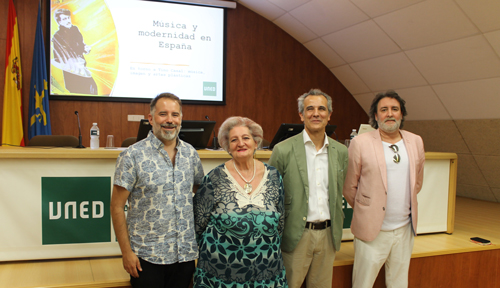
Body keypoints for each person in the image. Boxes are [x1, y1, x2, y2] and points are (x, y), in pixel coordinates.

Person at [111, 93, 204, 288]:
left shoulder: (190, 154)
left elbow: (199, 191)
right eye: (163, 114)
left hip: (184, 256)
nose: (170, 120)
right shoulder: (132, 156)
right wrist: (126, 253)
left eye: (175, 115)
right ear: (151, 119)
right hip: (147, 258)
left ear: (181, 119)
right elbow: (117, 206)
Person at [343, 90, 425, 288]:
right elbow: (349, 187)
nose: (390, 114)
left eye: (395, 109)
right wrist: (367, 211)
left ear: (402, 114)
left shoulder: (415, 141)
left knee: (399, 284)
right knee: (363, 284)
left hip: (405, 229)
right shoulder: (360, 143)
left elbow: (418, 182)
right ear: (376, 116)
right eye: (384, 110)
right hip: (372, 231)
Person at [193, 116, 288, 288]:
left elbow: (280, 222)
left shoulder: (274, 176)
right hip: (220, 275)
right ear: (227, 146)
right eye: (234, 140)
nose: (240, 143)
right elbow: (198, 225)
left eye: (246, 138)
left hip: (267, 273)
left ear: (256, 141)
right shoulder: (214, 179)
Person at [268, 89, 348, 288]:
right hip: (296, 235)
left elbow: (340, 190)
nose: (316, 113)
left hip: (328, 236)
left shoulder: (341, 151)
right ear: (301, 115)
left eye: (322, 109)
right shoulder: (283, 149)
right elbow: (271, 194)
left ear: (329, 115)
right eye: (309, 109)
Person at [52, 9, 97, 94]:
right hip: (72, 73)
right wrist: (71, 61)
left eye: (68, 18)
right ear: (59, 21)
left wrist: (85, 48)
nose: (68, 20)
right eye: (64, 19)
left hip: (82, 67)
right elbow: (58, 58)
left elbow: (80, 44)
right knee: (81, 92)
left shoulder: (75, 29)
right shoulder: (57, 37)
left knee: (92, 89)